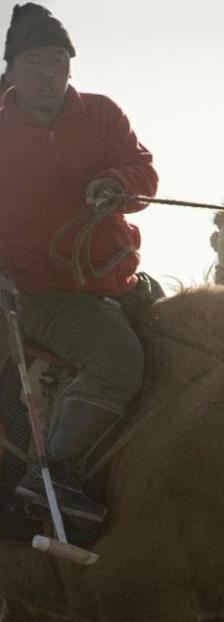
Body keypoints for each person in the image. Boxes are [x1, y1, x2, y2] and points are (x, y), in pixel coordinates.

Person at [0, 3, 159, 523]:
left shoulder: (103, 113)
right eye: (33, 63)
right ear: (11, 70)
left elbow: (142, 171)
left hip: (116, 278)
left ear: (70, 64)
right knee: (117, 360)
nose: (47, 74)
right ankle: (51, 476)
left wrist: (118, 185)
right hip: (41, 292)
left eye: (56, 61)